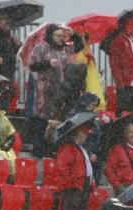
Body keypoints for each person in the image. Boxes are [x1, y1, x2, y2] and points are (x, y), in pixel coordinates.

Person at [29, 24, 84, 157]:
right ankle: (38, 150)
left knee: (58, 121)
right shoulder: (41, 47)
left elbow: (79, 46)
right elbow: (32, 66)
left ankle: (52, 150)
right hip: (44, 90)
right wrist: (47, 63)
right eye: (57, 35)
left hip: (61, 91)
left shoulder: (65, 48)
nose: (60, 38)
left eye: (62, 36)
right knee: (41, 120)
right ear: (50, 36)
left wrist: (74, 34)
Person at [54, 115, 95, 210]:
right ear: (79, 132)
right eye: (85, 133)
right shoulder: (68, 148)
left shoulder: (80, 148)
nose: (87, 136)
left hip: (82, 187)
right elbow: (63, 170)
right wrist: (73, 184)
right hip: (73, 189)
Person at [108, 18, 133, 114]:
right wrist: (119, 81)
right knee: (123, 109)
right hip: (126, 81)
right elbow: (114, 63)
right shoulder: (119, 41)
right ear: (130, 27)